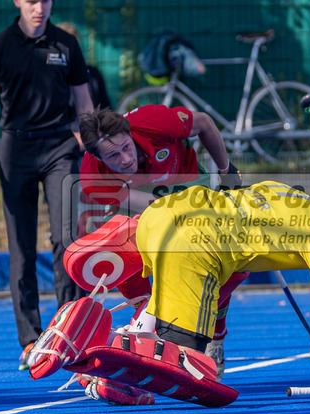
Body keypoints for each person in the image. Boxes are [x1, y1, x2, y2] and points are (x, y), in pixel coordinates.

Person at [132, 173, 310, 402]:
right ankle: (132, 363)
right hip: (191, 241)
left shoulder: (289, 194)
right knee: (185, 358)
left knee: (213, 278)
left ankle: (134, 333)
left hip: (158, 216)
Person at [0, 0, 94, 370]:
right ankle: (30, 339)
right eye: (31, 1)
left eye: (45, 0)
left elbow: (84, 102)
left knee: (67, 239)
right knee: (21, 247)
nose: (39, 7)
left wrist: (94, 148)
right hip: (15, 150)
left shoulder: (66, 44)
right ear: (17, 2)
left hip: (60, 148)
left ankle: (67, 330)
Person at [78, 104, 243, 380]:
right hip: (149, 201)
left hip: (190, 184)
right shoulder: (92, 178)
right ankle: (149, 330)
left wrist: (227, 171)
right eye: (113, 156)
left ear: (130, 134)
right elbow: (156, 208)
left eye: (126, 148)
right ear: (98, 158)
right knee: (120, 256)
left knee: (232, 266)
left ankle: (215, 336)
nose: (125, 159)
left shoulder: (156, 122)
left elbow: (204, 122)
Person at [56, 22, 112, 110]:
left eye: (74, 44)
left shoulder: (93, 73)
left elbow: (105, 106)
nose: (70, 50)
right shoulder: (51, 75)